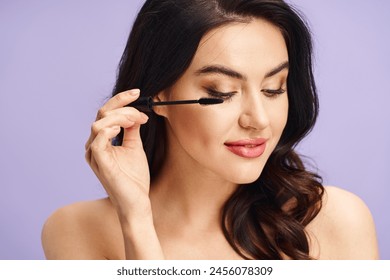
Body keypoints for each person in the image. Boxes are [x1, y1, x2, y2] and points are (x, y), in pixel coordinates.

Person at [41, 0, 379, 260]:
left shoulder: (335, 221)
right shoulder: (76, 229)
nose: (258, 120)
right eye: (221, 93)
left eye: (274, 88)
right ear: (159, 94)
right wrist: (137, 221)